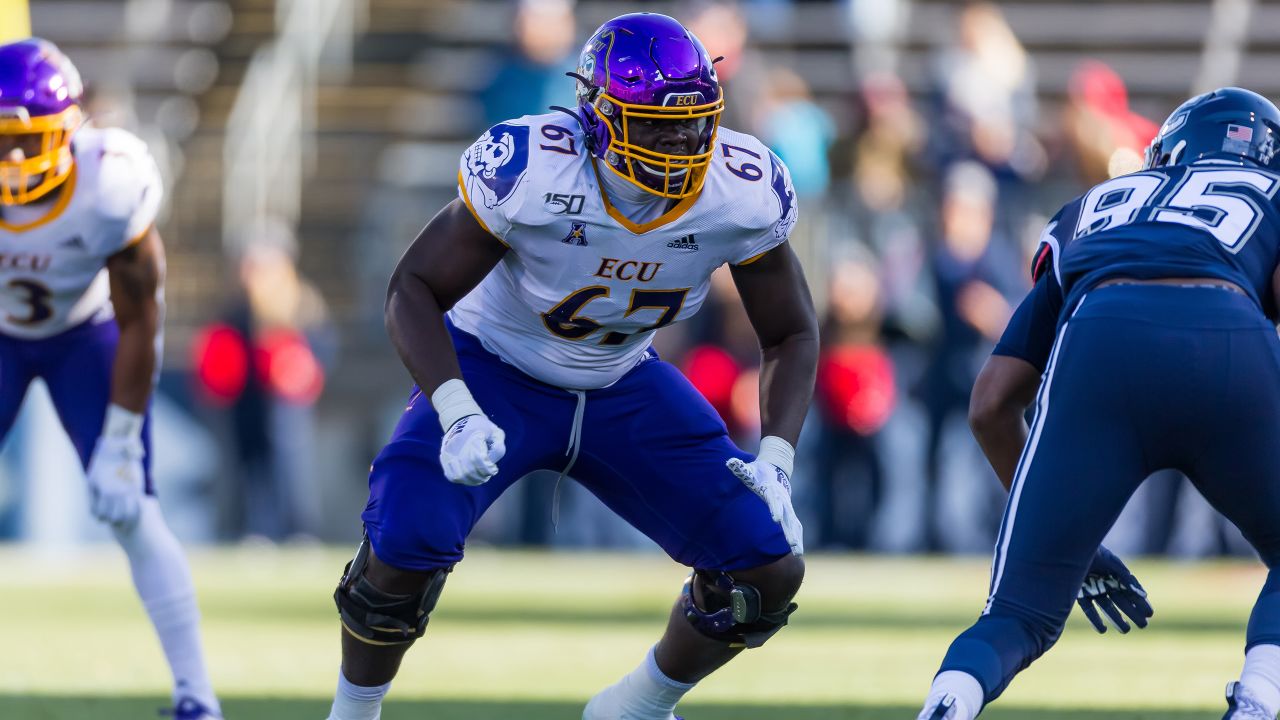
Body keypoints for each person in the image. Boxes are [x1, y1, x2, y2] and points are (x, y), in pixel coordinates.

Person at [326, 13, 817, 720]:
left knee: (766, 567)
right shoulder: (534, 166)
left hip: (623, 379)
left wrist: (776, 455)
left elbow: (792, 332)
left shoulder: (740, 186)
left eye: (694, 121)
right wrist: (457, 408)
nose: (681, 141)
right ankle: (353, 712)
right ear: (599, 118)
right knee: (404, 540)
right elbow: (414, 287)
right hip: (496, 369)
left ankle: (637, 707)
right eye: (655, 123)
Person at [917, 86, 1280, 720]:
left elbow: (991, 403)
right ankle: (1261, 698)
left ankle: (947, 705)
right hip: (1229, 339)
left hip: (1100, 341)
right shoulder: (1270, 194)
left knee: (1018, 615)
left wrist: (1067, 538)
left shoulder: (1094, 206)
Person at [0, 39, 220, 719]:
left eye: (25, 141)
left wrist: (121, 441)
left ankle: (197, 696)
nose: (11, 161)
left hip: (84, 335)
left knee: (134, 509)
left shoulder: (109, 183)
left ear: (68, 132)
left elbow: (141, 315)